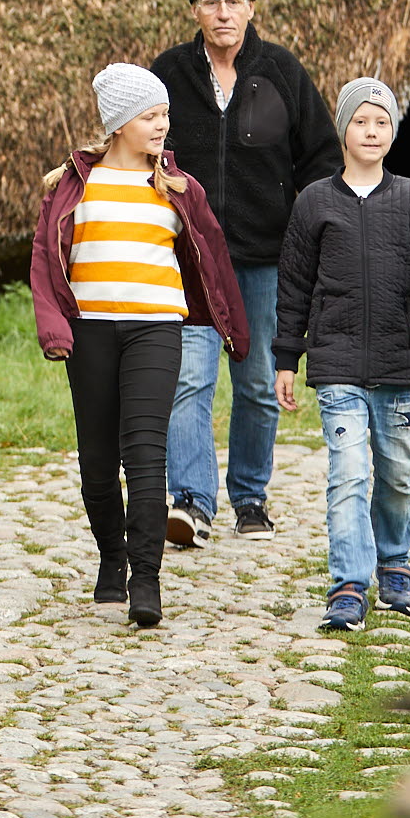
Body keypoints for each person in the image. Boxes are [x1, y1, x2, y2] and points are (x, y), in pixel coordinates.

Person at [30, 64, 249, 629]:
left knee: (146, 453)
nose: (162, 126)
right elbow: (43, 265)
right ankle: (112, 554)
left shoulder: (179, 188)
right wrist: (55, 329)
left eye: (165, 115)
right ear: (121, 122)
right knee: (97, 466)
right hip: (91, 332)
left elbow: (214, 257)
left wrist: (235, 330)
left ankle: (146, 579)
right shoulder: (72, 187)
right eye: (151, 116)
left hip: (157, 328)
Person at [151, 0, 342, 547]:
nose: (223, 12)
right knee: (189, 379)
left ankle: (251, 497)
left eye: (233, 1)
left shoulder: (282, 71)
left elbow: (321, 159)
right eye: (211, 2)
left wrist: (306, 230)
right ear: (195, 11)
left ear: (251, 8)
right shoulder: (169, 73)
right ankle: (190, 502)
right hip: (190, 257)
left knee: (258, 382)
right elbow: (139, 145)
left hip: (267, 259)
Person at [274, 77, 410, 633]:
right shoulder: (314, 202)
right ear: (344, 129)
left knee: (398, 473)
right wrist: (287, 357)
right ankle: (349, 586)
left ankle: (395, 566)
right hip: (335, 361)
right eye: (361, 121)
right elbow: (293, 286)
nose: (372, 130)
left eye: (382, 121)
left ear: (393, 131)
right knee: (350, 473)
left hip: (399, 361)